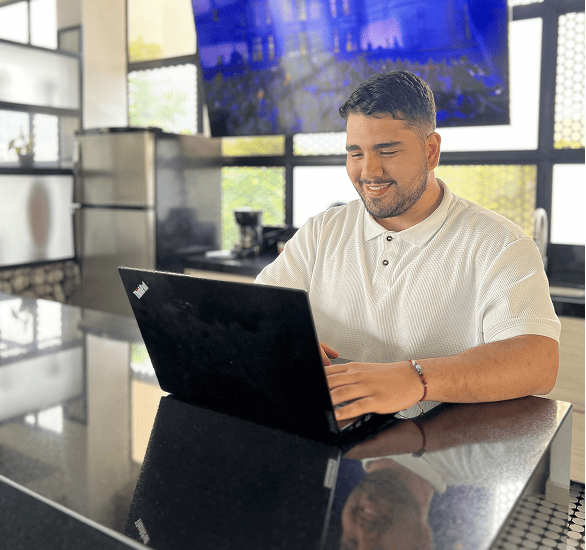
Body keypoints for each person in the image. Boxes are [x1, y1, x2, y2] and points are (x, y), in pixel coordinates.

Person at [254, 71, 560, 420]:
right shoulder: (321, 231)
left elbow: (538, 362)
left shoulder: (500, 245)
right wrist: (284, 337)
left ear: (431, 151)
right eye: (356, 153)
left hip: (439, 444)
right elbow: (254, 314)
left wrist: (415, 379)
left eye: (386, 151)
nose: (369, 171)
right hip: (326, 432)